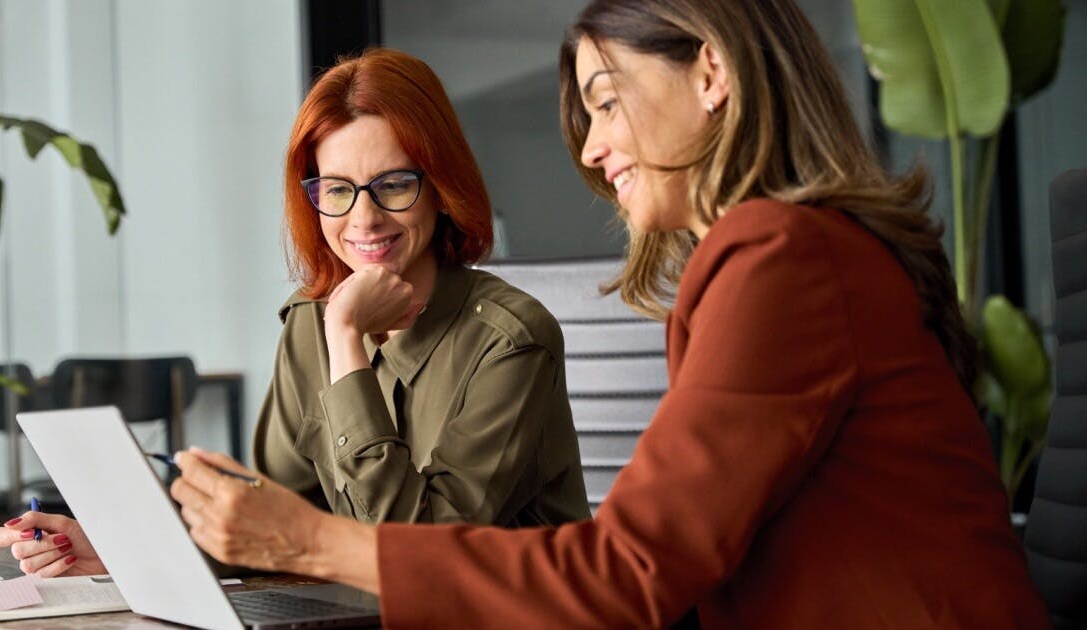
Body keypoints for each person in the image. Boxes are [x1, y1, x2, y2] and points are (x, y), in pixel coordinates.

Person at [163, 1, 1051, 627]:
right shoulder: (779, 258)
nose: (590, 148)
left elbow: (627, 573)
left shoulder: (785, 258)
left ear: (711, 70)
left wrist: (316, 544)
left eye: (604, 100)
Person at [0, 49, 589, 577]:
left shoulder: (511, 341)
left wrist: (347, 338)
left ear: (440, 186)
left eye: (394, 184)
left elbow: (413, 553)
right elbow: (274, 519)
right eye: (337, 189)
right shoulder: (310, 323)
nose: (364, 219)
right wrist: (120, 549)